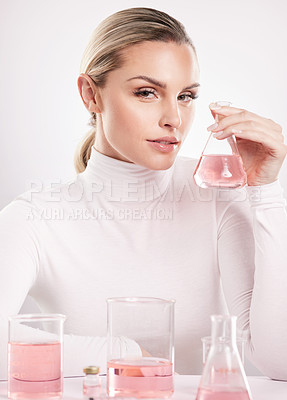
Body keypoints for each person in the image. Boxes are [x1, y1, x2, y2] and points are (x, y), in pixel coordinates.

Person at [0, 7, 287, 380]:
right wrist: (122, 353)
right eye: (147, 92)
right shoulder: (35, 217)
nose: (174, 118)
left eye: (186, 96)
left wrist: (266, 192)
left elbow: (280, 360)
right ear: (91, 94)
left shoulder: (217, 196)